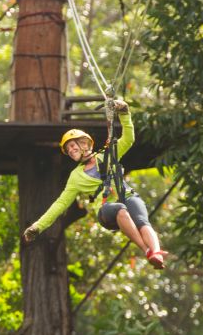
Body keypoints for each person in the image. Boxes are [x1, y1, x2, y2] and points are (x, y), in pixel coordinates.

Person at [22, 100, 167, 269]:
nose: (70, 151)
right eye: (67, 150)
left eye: (72, 146)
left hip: (127, 195)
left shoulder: (107, 155)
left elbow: (128, 138)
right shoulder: (76, 177)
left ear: (84, 143)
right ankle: (147, 251)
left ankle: (156, 252)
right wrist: (37, 227)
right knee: (120, 209)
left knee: (142, 220)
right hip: (107, 209)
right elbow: (60, 204)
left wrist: (124, 113)